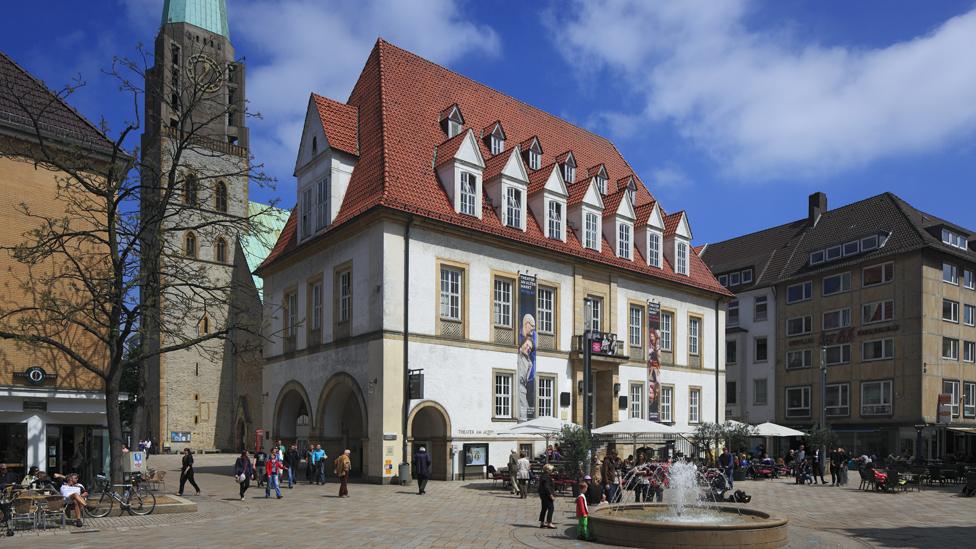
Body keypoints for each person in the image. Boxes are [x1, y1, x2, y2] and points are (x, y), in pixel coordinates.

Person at [538, 464, 556, 529]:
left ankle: (542, 523)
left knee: (544, 508)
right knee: (551, 508)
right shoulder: (546, 477)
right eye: (551, 470)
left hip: (542, 494)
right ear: (548, 470)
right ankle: (549, 523)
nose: (552, 471)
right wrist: (550, 495)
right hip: (546, 495)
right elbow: (546, 487)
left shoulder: (543, 476)